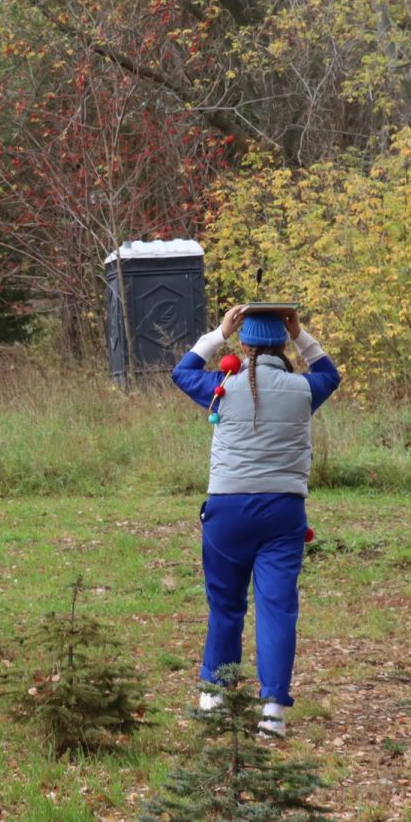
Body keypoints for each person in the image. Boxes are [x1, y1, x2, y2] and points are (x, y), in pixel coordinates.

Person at [170, 303, 340, 737]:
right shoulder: (304, 389)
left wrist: (217, 334)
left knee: (226, 604)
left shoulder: (220, 385)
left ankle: (214, 697)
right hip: (282, 512)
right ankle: (272, 715)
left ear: (243, 344)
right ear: (283, 343)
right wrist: (302, 335)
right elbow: (329, 373)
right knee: (277, 610)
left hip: (227, 510)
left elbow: (182, 370)